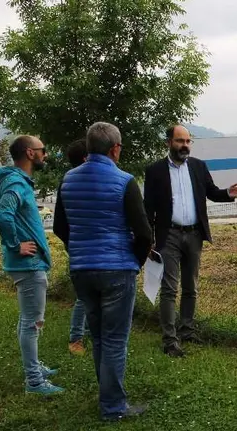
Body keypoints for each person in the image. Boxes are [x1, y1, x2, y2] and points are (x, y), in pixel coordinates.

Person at [56, 122, 153, 421]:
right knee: (114, 340)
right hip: (116, 269)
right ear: (114, 148)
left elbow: (60, 226)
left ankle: (108, 396)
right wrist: (134, 263)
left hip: (82, 270)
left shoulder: (68, 180)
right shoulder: (124, 181)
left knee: (98, 336)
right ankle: (113, 407)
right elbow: (144, 233)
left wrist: (80, 252)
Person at [144, 125, 237, 357]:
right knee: (170, 288)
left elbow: (210, 192)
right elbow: (148, 207)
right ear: (168, 143)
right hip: (168, 235)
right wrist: (148, 239)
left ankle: (187, 330)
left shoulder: (198, 166)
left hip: (194, 235)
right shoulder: (155, 171)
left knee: (191, 287)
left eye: (188, 141)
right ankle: (170, 340)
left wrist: (226, 194)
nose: (185, 146)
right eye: (180, 141)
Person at [0, 135, 64, 396]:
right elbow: (2, 215)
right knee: (33, 322)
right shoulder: (15, 184)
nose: (46, 154)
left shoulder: (17, 182)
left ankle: (35, 368)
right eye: (43, 150)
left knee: (27, 320)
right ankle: (34, 381)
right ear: (30, 153)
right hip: (28, 264)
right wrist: (15, 244)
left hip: (29, 264)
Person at [53, 138, 89, 356]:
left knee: (91, 295)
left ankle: (88, 332)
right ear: (86, 158)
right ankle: (76, 338)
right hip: (83, 249)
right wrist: (73, 244)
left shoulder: (69, 182)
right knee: (84, 296)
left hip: (82, 248)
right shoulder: (71, 183)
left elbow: (59, 225)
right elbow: (59, 224)